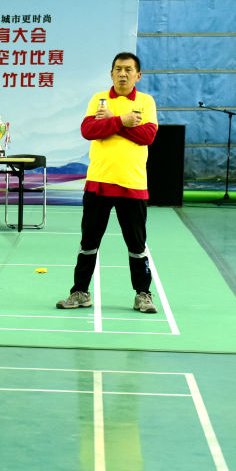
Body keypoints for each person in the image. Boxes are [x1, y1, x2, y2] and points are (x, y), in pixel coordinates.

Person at [56, 52, 159, 314]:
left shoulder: (146, 102)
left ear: (138, 75)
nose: (122, 74)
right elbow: (88, 130)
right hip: (98, 184)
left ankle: (143, 295)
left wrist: (113, 122)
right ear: (111, 73)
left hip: (132, 185)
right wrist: (122, 121)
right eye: (117, 69)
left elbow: (146, 135)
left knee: (137, 246)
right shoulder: (99, 99)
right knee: (88, 243)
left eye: (128, 69)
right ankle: (80, 292)